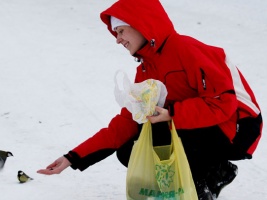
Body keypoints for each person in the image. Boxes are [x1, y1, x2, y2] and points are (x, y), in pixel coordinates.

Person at [37, 0, 263, 199]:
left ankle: (201, 183)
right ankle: (217, 172)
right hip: (203, 125)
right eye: (116, 33)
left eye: (121, 31)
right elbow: (125, 124)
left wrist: (172, 113)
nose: (118, 40)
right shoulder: (145, 70)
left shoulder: (187, 50)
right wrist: (72, 158)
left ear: (140, 25)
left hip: (239, 127)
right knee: (130, 149)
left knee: (168, 133)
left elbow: (221, 103)